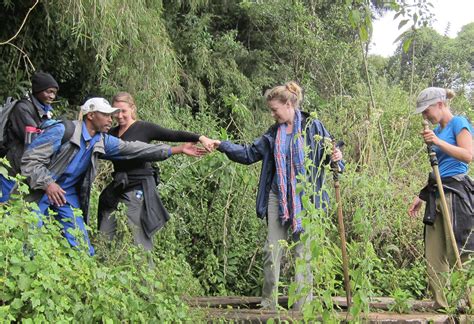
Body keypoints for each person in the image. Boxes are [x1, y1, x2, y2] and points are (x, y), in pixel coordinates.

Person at [214, 81, 343, 310]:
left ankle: (302, 307)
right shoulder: (273, 133)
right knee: (271, 249)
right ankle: (269, 303)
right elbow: (248, 154)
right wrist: (221, 145)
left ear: (288, 104)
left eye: (275, 109)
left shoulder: (314, 127)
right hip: (278, 197)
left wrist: (337, 157)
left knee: (303, 254)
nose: (272, 114)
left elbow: (333, 155)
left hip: (307, 200)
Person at [21, 97, 205, 256]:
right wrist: (48, 183)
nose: (112, 119)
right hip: (41, 191)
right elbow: (30, 161)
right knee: (27, 240)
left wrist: (177, 149)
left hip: (67, 196)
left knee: (81, 245)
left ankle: (83, 285)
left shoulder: (102, 140)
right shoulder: (63, 131)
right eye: (106, 115)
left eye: (112, 115)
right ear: (91, 115)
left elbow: (136, 149)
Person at [97, 92, 215, 251]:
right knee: (105, 227)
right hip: (119, 185)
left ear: (133, 109)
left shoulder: (144, 128)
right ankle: (103, 261)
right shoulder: (110, 134)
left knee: (135, 230)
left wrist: (201, 138)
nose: (119, 115)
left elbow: (172, 134)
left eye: (123, 111)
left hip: (139, 186)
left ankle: (144, 270)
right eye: (116, 111)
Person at [408, 87, 473, 309]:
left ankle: (467, 301)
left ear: (440, 104)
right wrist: (421, 194)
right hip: (436, 192)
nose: (425, 116)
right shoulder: (437, 129)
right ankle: (441, 304)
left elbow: (468, 155)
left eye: (427, 110)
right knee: (434, 254)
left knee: (458, 250)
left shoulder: (458, 123)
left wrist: (437, 142)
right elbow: (439, 168)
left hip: (456, 193)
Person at [0, 71, 59, 202]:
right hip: (11, 165)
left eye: (54, 92)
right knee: (4, 202)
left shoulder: (45, 110)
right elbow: (35, 140)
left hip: (24, 166)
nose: (52, 96)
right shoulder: (22, 108)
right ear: (38, 90)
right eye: (48, 92)